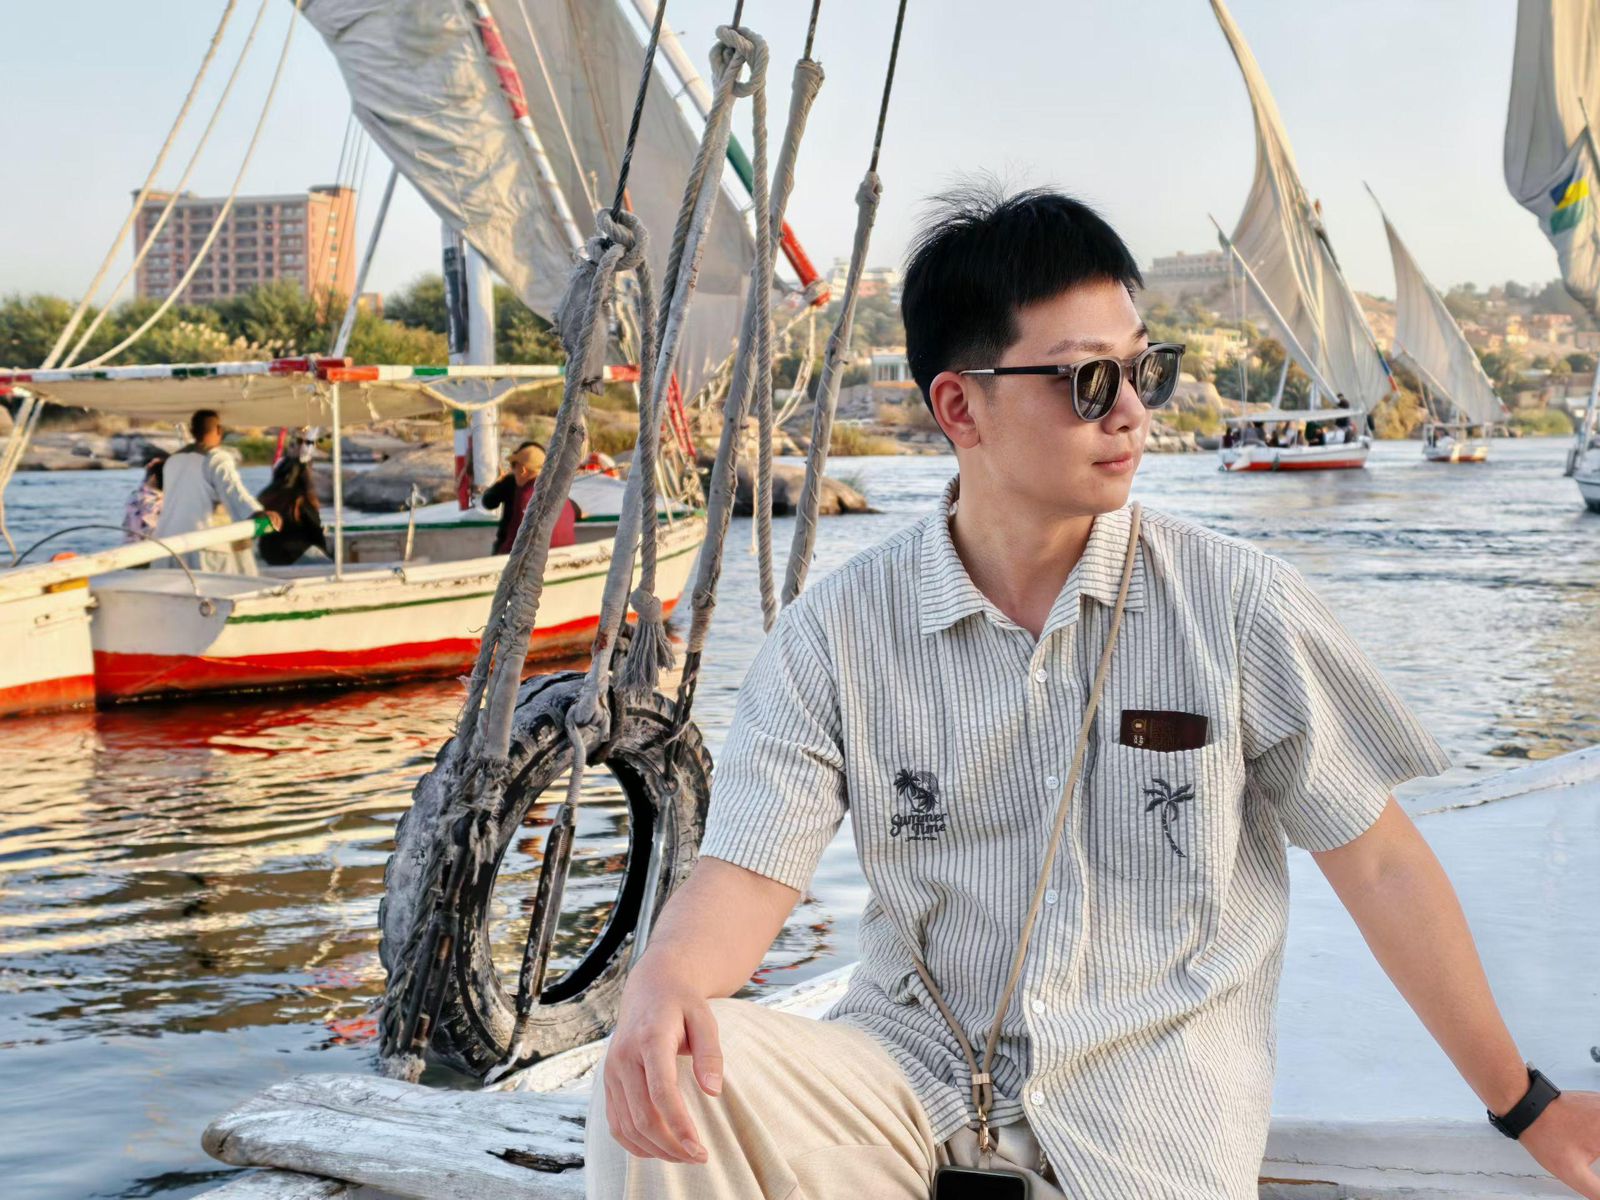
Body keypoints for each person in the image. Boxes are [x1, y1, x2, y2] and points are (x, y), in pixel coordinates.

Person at [585, 187, 1600, 1199]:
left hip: (1146, 1133)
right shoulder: (838, 632)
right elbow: (750, 870)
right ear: (959, 407)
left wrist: (1524, 1105)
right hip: (906, 1092)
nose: (1132, 413)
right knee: (665, 1067)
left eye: (1144, 370)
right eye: (1086, 381)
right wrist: (663, 986)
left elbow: (1377, 863)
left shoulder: (1234, 607)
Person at [154, 409, 279, 574]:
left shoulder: (172, 460)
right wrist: (258, 514)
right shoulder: (216, 458)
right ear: (219, 430)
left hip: (167, 546)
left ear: (192, 431)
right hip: (204, 547)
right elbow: (234, 493)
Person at [480, 440, 581, 556]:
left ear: (523, 469)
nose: (513, 470)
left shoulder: (523, 493)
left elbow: (488, 502)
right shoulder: (559, 492)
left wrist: (498, 483)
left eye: (514, 465)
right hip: (562, 557)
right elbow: (573, 509)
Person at [255, 432, 328, 566]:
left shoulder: (264, 496)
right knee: (328, 563)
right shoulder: (300, 499)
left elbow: (258, 530)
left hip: (268, 554)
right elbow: (315, 533)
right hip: (293, 554)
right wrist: (327, 551)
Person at [122, 454, 165, 543]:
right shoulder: (160, 502)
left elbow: (145, 484)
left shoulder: (136, 496)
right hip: (151, 547)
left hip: (130, 545)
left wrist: (152, 470)